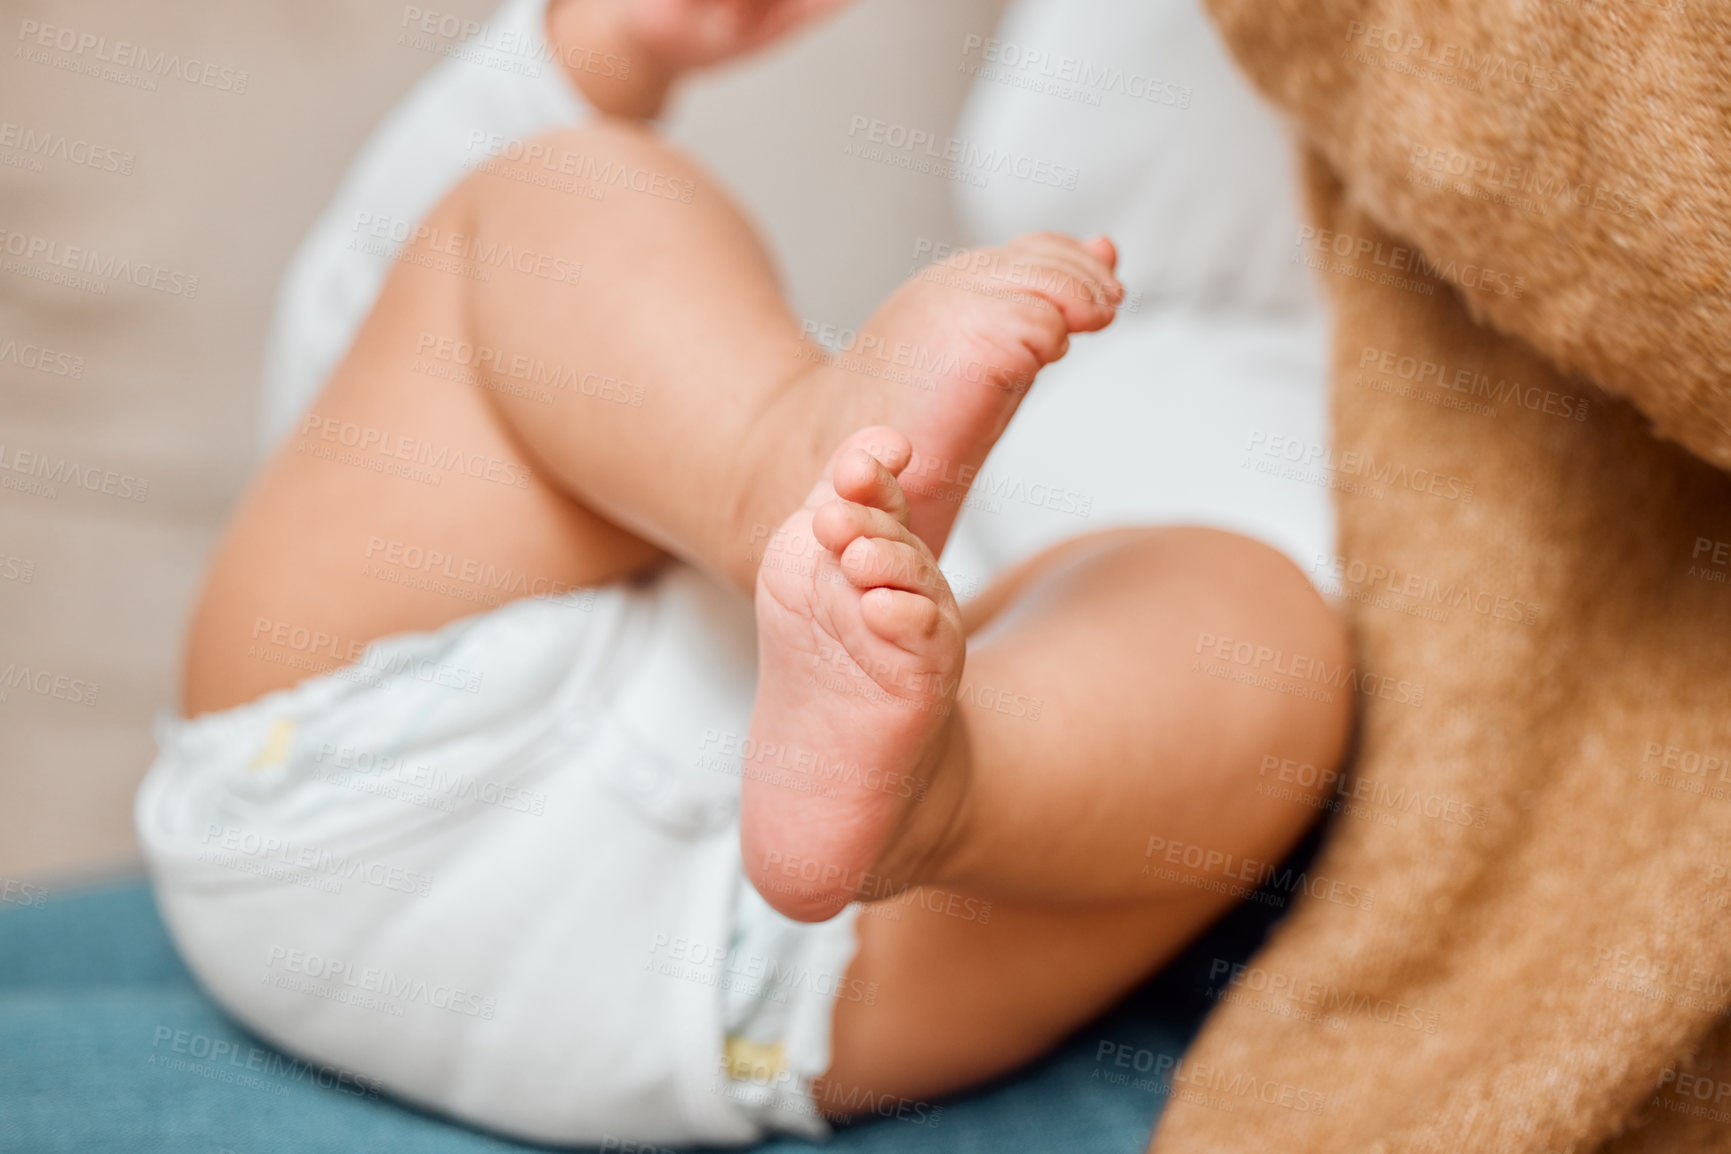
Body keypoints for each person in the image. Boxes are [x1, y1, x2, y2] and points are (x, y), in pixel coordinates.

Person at [137, 0, 1350, 1145]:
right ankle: (773, 469)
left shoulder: (1375, 439)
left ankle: (939, 780)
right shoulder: (1061, 282)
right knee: (556, 204)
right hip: (479, 744)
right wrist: (600, 56)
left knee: (1272, 642)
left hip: (800, 877)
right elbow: (409, 268)